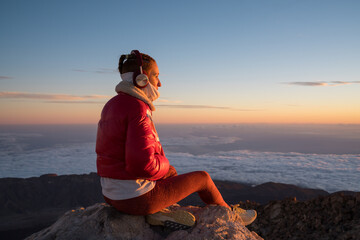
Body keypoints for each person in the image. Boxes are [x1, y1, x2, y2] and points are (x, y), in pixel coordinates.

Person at [96, 50, 256, 229]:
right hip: (135, 199)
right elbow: (142, 166)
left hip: (112, 195)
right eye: (156, 76)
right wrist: (163, 162)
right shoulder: (138, 109)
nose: (160, 83)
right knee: (202, 178)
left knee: (170, 173)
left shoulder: (112, 104)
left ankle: (158, 213)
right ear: (142, 78)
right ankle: (229, 214)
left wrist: (165, 169)